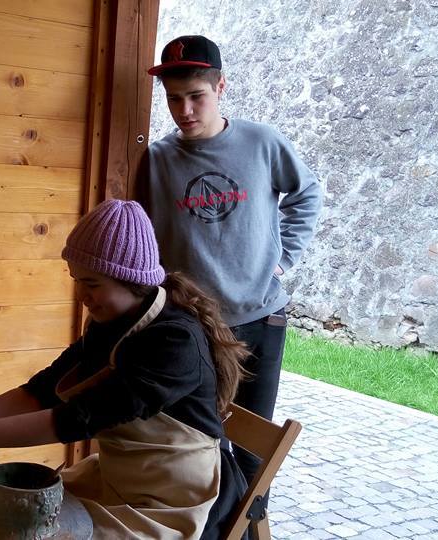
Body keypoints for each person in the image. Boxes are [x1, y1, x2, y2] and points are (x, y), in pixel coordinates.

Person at [0, 199, 250, 539]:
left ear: (131, 280)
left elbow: (76, 419)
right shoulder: (109, 321)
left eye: (92, 283)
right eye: (76, 279)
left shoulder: (174, 342)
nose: (81, 293)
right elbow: (40, 392)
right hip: (118, 480)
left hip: (174, 501)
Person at [137, 35, 322, 495]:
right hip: (192, 325)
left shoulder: (262, 142)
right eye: (174, 99)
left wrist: (284, 259)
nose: (185, 111)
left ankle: (248, 521)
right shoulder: (157, 160)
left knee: (252, 448)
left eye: (196, 96)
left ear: (221, 87)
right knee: (198, 443)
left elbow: (307, 194)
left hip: (260, 316)